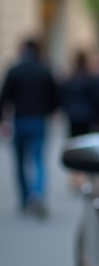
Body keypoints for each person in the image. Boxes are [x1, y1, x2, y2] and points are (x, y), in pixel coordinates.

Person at [0, 38, 61, 217]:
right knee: (38, 159)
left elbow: (4, 97)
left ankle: (25, 197)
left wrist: (2, 120)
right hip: (39, 120)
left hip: (20, 120)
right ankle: (38, 194)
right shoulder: (44, 70)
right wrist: (51, 112)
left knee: (20, 160)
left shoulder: (15, 70)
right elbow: (54, 97)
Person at [60, 49, 98, 137]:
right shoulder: (89, 77)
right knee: (85, 138)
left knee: (74, 138)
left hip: (73, 114)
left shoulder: (71, 77)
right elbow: (95, 96)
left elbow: (63, 95)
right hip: (86, 114)